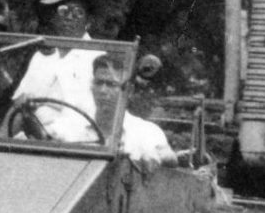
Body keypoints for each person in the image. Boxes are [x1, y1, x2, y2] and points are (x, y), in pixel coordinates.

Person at [50, 53, 178, 169]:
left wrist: (165, 157)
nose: (103, 91)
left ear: (130, 91)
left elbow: (167, 157)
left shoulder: (146, 132)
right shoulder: (69, 127)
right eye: (99, 83)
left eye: (111, 85)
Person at [10, 0, 101, 133]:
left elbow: (96, 114)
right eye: (63, 10)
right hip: (32, 136)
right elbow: (19, 104)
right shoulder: (41, 56)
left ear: (88, 22)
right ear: (54, 18)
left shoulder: (98, 58)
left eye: (78, 12)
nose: (70, 18)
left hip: (76, 142)